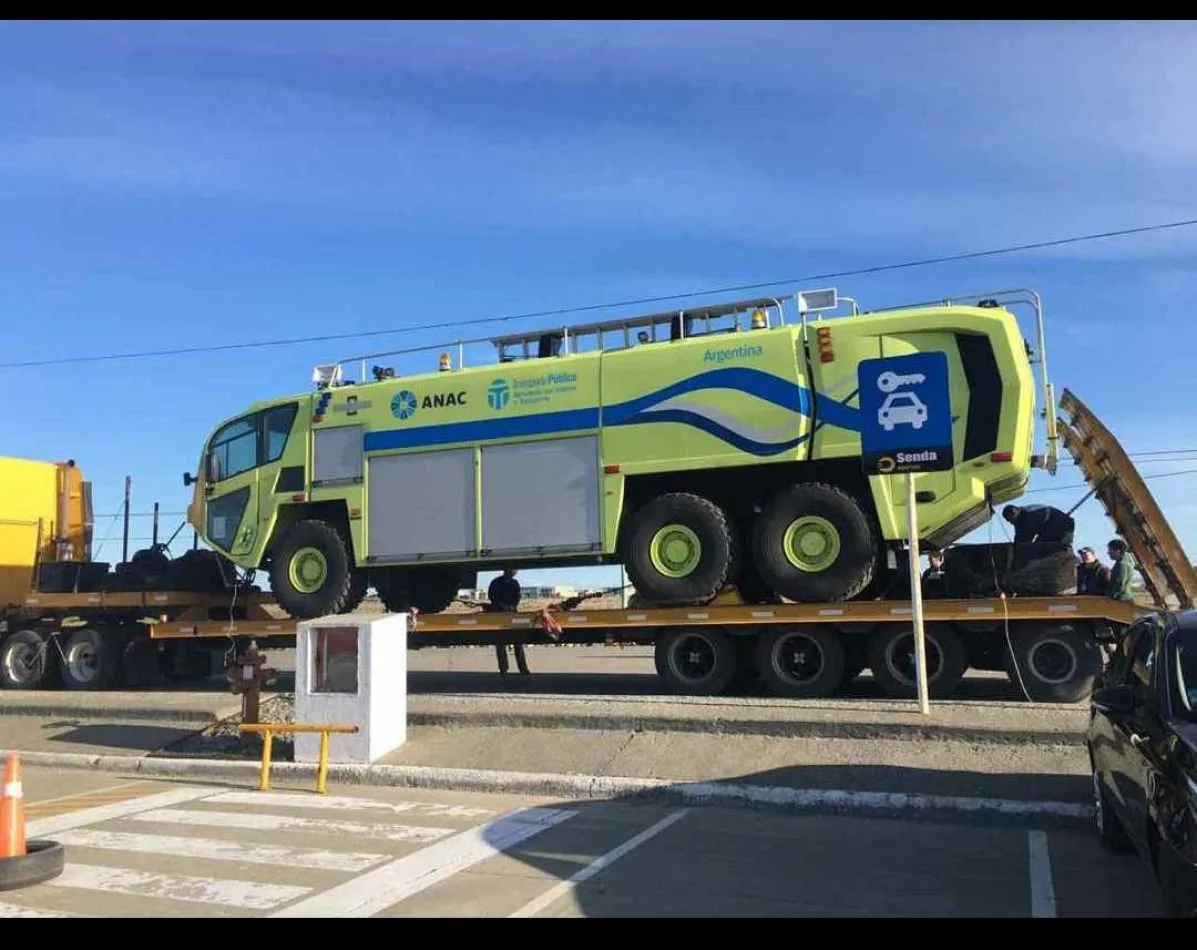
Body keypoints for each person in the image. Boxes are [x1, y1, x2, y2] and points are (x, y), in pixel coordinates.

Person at [487, 568, 529, 675]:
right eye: (513, 571)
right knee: (500, 643)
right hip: (499, 614)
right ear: (506, 571)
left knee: (518, 643)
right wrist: (502, 606)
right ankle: (503, 669)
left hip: (512, 614)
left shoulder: (515, 583)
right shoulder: (496, 582)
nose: (514, 573)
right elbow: (492, 596)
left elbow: (517, 597)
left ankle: (523, 668)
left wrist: (512, 606)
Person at [1002, 504, 1075, 545]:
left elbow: (1028, 535)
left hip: (1063, 527)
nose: (1011, 522)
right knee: (1038, 548)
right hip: (1049, 530)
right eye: (1009, 520)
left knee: (1040, 548)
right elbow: (1019, 538)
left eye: (1012, 518)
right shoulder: (1019, 521)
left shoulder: (1030, 514)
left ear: (1017, 510)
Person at [1106, 539, 1137, 603]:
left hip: (1121, 599)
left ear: (1118, 551)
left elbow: (1120, 585)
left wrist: (1111, 596)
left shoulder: (1122, 564)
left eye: (1110, 550)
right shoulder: (1125, 562)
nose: (1108, 552)